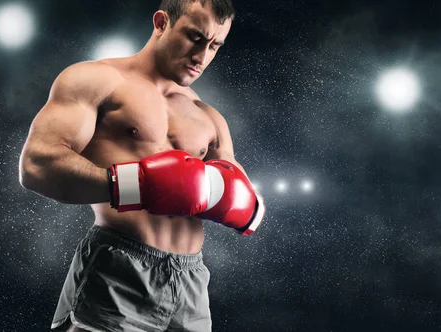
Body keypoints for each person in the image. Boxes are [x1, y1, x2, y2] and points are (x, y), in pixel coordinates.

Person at [18, 0, 265, 331]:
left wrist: (238, 203)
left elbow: (249, 204)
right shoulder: (97, 80)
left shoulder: (208, 117)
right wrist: (141, 185)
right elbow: (36, 165)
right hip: (119, 271)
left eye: (215, 46)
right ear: (162, 22)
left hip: (191, 283)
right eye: (195, 37)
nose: (202, 57)